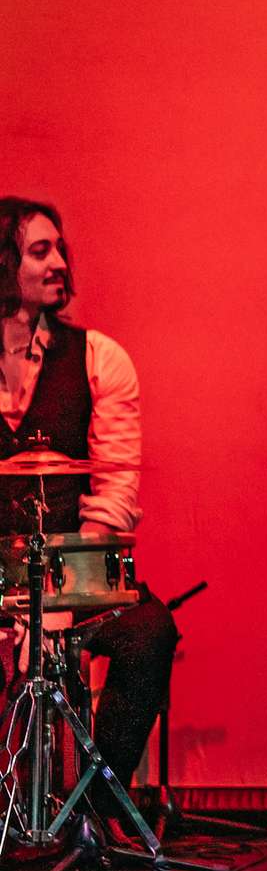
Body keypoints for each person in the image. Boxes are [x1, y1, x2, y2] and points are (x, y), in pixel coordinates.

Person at [0, 198, 178, 829]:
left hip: (73, 576)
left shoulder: (100, 357)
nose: (59, 262)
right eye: (38, 250)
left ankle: (94, 812)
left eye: (60, 248)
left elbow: (114, 496)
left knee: (148, 633)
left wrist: (61, 601)